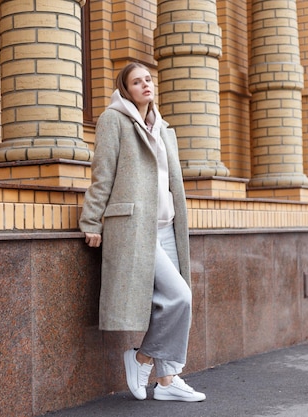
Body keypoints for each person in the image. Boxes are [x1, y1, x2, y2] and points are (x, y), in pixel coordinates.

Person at [79, 62, 206, 402]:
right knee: (180, 297)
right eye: (137, 82)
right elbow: (102, 174)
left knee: (171, 301)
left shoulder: (165, 129)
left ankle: (166, 380)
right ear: (126, 89)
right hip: (137, 228)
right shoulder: (113, 121)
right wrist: (92, 221)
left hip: (167, 226)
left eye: (148, 79)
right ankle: (140, 358)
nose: (145, 85)